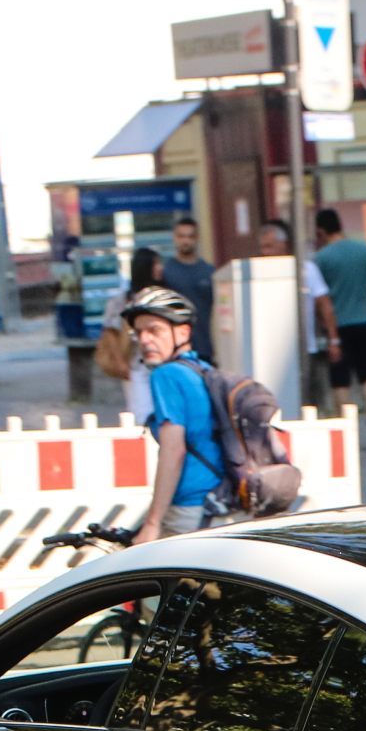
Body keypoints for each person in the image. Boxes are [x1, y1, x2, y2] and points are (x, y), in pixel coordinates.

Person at [123, 285, 227, 544]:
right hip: (221, 504)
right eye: (139, 332)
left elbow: (174, 449)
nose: (145, 340)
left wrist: (152, 522)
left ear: (182, 332)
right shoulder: (201, 369)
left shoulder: (166, 375)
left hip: (189, 510)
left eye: (154, 330)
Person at [314, 208, 366, 446]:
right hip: (365, 320)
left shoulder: (320, 259)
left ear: (322, 230)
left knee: (341, 377)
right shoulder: (364, 251)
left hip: (338, 326)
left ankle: (345, 424)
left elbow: (321, 298)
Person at [255, 217, 337, 388]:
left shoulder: (306, 270)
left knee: (308, 396)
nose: (265, 252)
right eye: (262, 247)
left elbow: (324, 305)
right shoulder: (259, 273)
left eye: (269, 246)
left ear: (283, 244)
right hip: (272, 351)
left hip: (304, 347)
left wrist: (333, 339)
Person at [100, 248, 163, 424]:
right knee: (141, 415)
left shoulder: (165, 297)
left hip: (164, 365)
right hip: (137, 366)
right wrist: (120, 362)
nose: (160, 268)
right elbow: (110, 331)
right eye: (156, 264)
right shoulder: (124, 301)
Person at [161, 216, 217, 329]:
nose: (186, 241)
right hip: (173, 341)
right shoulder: (165, 271)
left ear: (198, 238)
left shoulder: (209, 272)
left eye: (190, 236)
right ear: (174, 237)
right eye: (181, 236)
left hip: (203, 341)